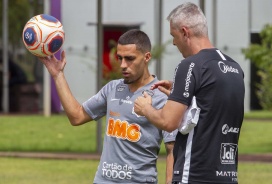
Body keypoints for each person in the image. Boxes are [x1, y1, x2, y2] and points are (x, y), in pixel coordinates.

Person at [39, 29, 177, 184]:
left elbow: (172, 150)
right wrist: (58, 76)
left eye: (129, 58)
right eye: (120, 58)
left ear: (147, 57)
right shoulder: (112, 89)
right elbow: (76, 116)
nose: (123, 65)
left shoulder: (162, 96)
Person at [134, 2, 245, 184]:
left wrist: (145, 108)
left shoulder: (190, 65)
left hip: (193, 175)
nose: (173, 42)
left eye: (174, 36)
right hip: (228, 175)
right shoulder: (234, 67)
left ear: (185, 32)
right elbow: (209, 106)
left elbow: (168, 122)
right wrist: (180, 94)